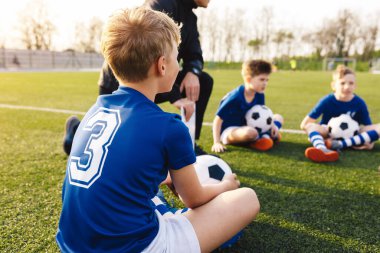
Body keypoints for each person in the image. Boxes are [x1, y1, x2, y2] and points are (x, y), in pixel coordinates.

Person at [56, 7, 260, 253]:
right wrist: (226, 185)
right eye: (177, 57)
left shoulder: (95, 111)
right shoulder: (169, 126)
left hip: (73, 244)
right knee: (247, 198)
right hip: (137, 247)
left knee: (144, 196)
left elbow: (119, 169)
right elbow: (194, 199)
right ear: (162, 65)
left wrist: (166, 178)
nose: (178, 64)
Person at [63, 0, 214, 156]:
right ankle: (76, 131)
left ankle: (189, 144)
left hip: (154, 77)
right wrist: (175, 97)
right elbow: (147, 55)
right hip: (123, 79)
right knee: (115, 143)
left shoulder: (190, 18)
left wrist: (192, 72)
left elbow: (195, 54)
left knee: (203, 81)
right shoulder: (161, 4)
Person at [300, 65, 380, 163]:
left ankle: (340, 144)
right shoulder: (327, 101)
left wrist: (370, 141)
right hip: (328, 133)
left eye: (351, 83)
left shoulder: (359, 103)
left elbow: (368, 127)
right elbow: (304, 124)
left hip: (353, 134)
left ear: (355, 85)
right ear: (333, 85)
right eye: (342, 83)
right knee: (310, 126)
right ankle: (321, 149)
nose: (347, 87)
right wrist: (315, 133)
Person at [211, 60, 284, 153]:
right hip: (231, 130)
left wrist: (273, 125)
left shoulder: (260, 94)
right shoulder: (235, 97)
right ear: (248, 79)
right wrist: (216, 142)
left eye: (267, 80)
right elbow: (218, 120)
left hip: (249, 125)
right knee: (250, 133)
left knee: (278, 117)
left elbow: (263, 115)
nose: (265, 83)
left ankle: (268, 134)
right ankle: (260, 139)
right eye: (262, 79)